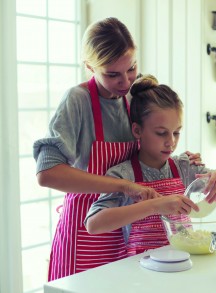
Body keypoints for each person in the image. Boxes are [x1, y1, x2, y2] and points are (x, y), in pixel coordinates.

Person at [33, 17, 202, 281]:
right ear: (90, 66)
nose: (125, 82)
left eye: (131, 68)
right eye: (112, 74)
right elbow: (47, 174)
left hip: (129, 233)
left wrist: (186, 159)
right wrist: (123, 187)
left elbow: (156, 137)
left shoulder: (134, 96)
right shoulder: (77, 100)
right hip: (86, 231)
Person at [84, 75, 216, 255]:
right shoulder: (123, 174)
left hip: (184, 262)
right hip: (141, 271)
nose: (171, 142)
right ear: (137, 130)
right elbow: (94, 224)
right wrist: (155, 206)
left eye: (176, 132)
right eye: (161, 133)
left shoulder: (184, 167)